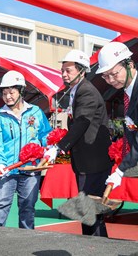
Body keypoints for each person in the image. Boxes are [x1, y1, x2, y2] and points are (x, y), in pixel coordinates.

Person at [44, 49, 113, 237]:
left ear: (82, 71)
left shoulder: (87, 92)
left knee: (90, 211)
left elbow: (82, 122)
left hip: (94, 161)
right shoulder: (77, 90)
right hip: (86, 161)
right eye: (62, 70)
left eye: (69, 70)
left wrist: (59, 147)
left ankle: (96, 248)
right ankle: (93, 247)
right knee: (88, 211)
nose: (64, 74)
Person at [0, 70, 52, 229]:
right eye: (4, 93)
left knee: (28, 208)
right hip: (7, 170)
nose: (8, 96)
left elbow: (46, 134)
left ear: (21, 91)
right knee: (1, 206)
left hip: (30, 169)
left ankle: (26, 242)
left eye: (11, 92)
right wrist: (0, 163)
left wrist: (48, 149)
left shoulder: (36, 112)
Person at [95, 42, 137, 188]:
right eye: (106, 76)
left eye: (114, 74)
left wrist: (120, 171)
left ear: (130, 65)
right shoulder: (128, 91)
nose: (111, 80)